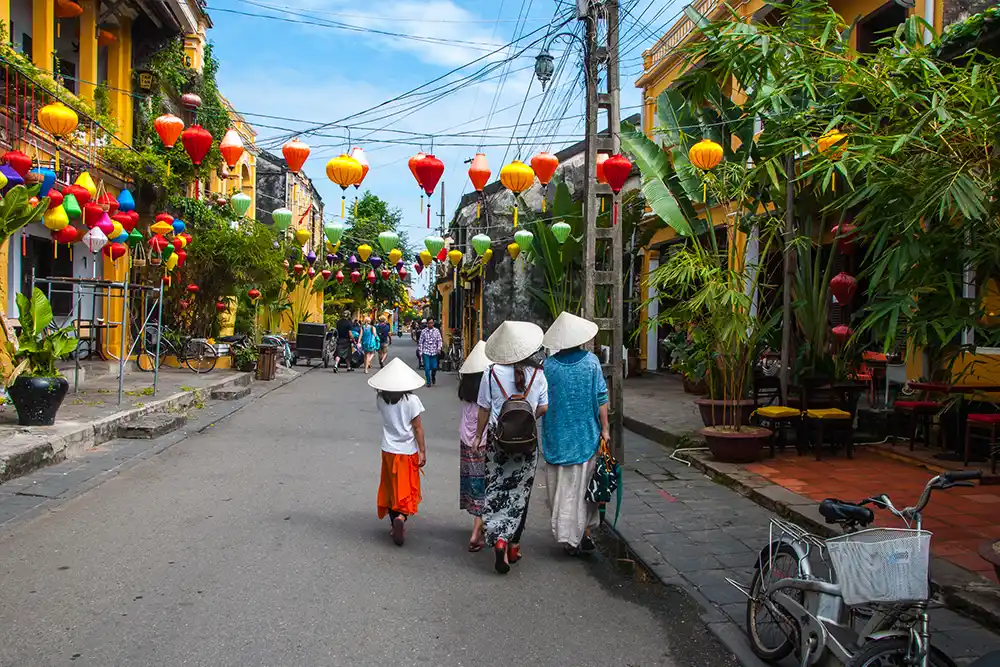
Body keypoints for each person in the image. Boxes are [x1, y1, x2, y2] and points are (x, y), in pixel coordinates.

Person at [476, 321, 548, 574]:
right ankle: (513, 545)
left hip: (498, 442)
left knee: (495, 489)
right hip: (527, 446)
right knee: (520, 495)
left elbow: (484, 408)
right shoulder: (539, 374)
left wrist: (478, 437)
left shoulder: (491, 372)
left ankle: (499, 539)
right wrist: (526, 423)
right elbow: (543, 408)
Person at [540, 312, 609, 556]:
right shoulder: (591, 363)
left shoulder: (548, 367)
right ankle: (582, 533)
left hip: (556, 435)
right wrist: (606, 428)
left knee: (561, 489)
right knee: (582, 488)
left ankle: (570, 537)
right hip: (585, 435)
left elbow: (541, 402)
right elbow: (601, 397)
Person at [369, 358, 427, 547]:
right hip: (407, 451)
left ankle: (394, 522)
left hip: (388, 450)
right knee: (406, 486)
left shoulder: (380, 400)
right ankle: (402, 516)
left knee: (390, 486)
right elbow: (417, 428)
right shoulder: (412, 401)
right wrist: (422, 451)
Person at [457, 341, 490, 552]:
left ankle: (479, 524)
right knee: (484, 483)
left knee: (473, 482)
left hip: (465, 441)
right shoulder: (487, 393)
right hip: (484, 441)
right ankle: (477, 530)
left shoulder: (467, 392)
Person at [418, 317, 443, 387]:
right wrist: (420, 351)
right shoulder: (423, 331)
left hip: (434, 351)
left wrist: (439, 348)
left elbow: (439, 340)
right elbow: (420, 342)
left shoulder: (436, 331)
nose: (430, 324)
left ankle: (433, 376)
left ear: (433, 323)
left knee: (434, 367)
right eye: (429, 323)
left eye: (431, 323)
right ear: (427, 323)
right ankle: (428, 381)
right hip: (426, 351)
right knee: (427, 368)